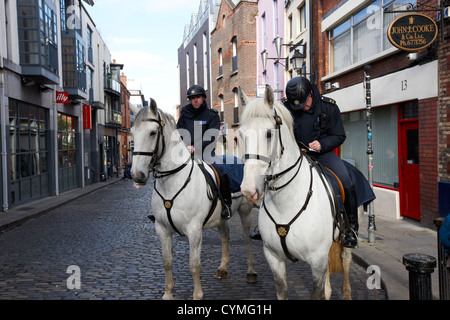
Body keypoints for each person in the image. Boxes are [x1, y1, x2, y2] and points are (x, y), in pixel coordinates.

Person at [282, 77, 359, 248]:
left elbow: (339, 135)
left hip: (322, 153)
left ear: (311, 93)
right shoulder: (285, 108)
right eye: (298, 106)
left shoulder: (328, 106)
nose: (302, 108)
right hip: (295, 153)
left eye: (304, 103)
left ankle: (351, 229)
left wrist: (321, 144)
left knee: (345, 180)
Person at [177, 84, 232, 219]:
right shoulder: (184, 113)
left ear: (203, 98)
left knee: (220, 171)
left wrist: (196, 147)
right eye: (192, 98)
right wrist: (185, 146)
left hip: (206, 152)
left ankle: (226, 204)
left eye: (198, 97)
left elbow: (212, 135)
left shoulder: (211, 115)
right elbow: (179, 131)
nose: (195, 100)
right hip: (186, 152)